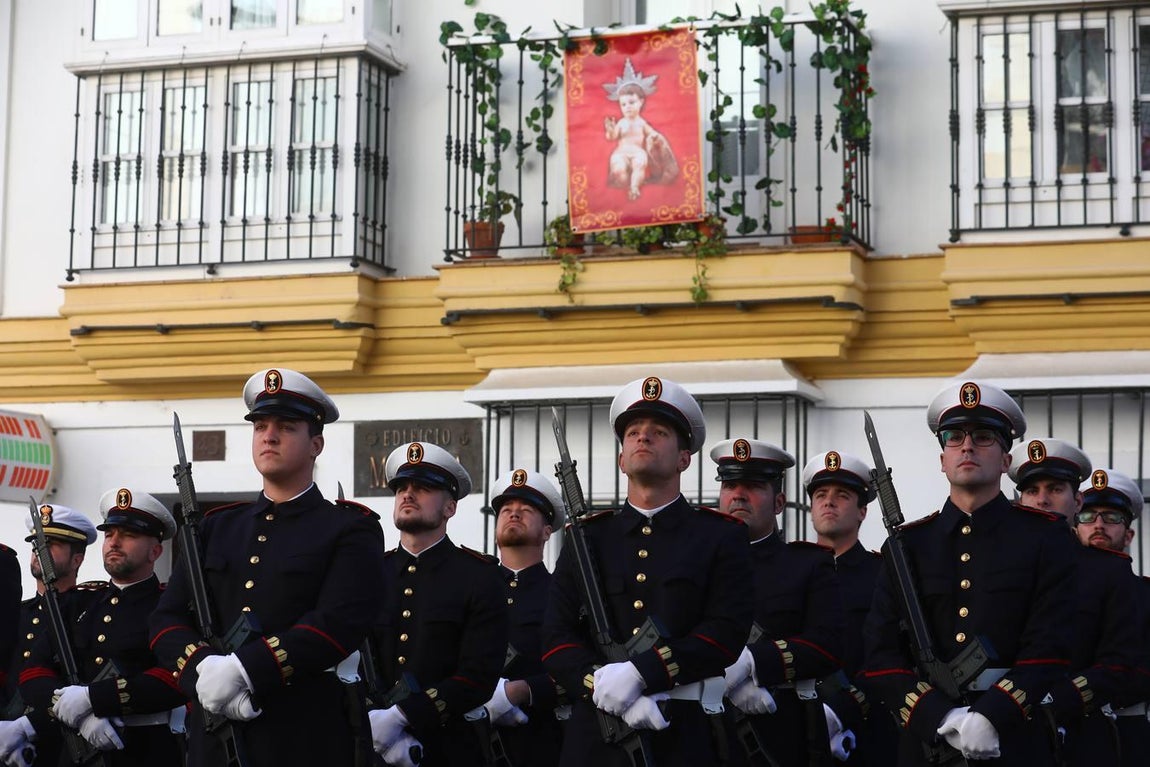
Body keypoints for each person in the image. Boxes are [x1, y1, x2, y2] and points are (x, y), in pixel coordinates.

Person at [149, 367, 387, 767]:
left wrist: (247, 668)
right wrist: (203, 669)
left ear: (316, 444)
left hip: (303, 737)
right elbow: (165, 619)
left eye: (286, 426)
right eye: (260, 426)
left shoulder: (349, 529)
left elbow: (339, 621)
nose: (269, 435)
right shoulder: (216, 528)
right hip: (213, 734)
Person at [861, 380, 1077, 766]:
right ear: (942, 459)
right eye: (954, 436)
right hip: (930, 743)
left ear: (1006, 461)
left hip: (1014, 736)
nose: (967, 446)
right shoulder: (907, 546)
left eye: (983, 437)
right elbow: (880, 655)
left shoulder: (1044, 538)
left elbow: (1053, 643)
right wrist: (940, 715)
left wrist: (994, 714)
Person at [543, 375, 753, 766]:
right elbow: (555, 635)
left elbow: (725, 631)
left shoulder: (719, 537)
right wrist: (597, 682)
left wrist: (643, 673)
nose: (643, 438)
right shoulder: (587, 538)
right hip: (597, 734)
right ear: (622, 458)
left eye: (659, 432)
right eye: (634, 433)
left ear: (683, 458)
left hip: (686, 731)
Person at [18, 488, 187, 766]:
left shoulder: (168, 604)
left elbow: (176, 675)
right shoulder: (79, 603)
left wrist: (93, 699)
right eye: (109, 535)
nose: (114, 542)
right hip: (76, 749)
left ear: (155, 551)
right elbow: (33, 672)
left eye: (128, 535)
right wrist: (76, 711)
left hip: (146, 749)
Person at [366, 441, 507, 767]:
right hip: (371, 744)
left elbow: (478, 676)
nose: (408, 494)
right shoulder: (372, 573)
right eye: (401, 487)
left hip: (449, 748)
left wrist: (404, 717)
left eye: (423, 488)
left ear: (450, 508)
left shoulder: (479, 577)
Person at [1007, 439, 1142, 766]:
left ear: (1074, 499)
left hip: (1081, 730)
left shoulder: (1108, 571)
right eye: (1032, 490)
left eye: (1055, 489)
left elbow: (1119, 663)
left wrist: (1055, 698)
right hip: (1000, 726)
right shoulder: (994, 565)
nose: (1042, 500)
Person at [712, 438, 846, 767]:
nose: (738, 495)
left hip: (782, 734)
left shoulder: (808, 565)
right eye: (730, 485)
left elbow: (828, 644)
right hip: (706, 733)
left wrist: (755, 663)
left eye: (754, 486)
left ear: (778, 502)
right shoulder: (696, 565)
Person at [802, 450, 896, 766]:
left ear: (862, 512)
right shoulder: (789, 572)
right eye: (820, 495)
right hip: (793, 729)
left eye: (842, 495)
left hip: (866, 731)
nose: (828, 502)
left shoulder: (883, 574)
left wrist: (842, 710)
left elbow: (890, 653)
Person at [0, 505, 98, 767]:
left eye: (50, 545)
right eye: (35, 544)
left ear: (77, 559)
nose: (38, 551)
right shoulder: (17, 613)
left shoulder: (88, 611)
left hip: (63, 742)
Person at [482, 469, 566, 767]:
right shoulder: (471, 587)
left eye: (526, 510)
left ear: (547, 531)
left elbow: (580, 669)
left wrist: (523, 690)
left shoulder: (562, 592)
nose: (514, 515)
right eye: (506, 510)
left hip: (540, 743)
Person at [1073, 468, 1150, 767]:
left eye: (1112, 518)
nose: (1099, 525)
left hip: (1128, 734)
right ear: (1075, 526)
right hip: (1066, 731)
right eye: (1088, 517)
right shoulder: (1053, 593)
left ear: (1129, 534)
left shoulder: (1144, 594)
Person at [602, 58, 678, 200]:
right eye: (623, 104)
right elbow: (612, 137)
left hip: (637, 152)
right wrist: (610, 130)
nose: (628, 107)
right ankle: (622, 184)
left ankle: (635, 188)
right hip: (622, 152)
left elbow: (652, 133)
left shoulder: (641, 123)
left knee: (640, 165)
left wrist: (655, 137)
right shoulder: (621, 123)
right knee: (619, 170)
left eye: (632, 102)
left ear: (641, 102)